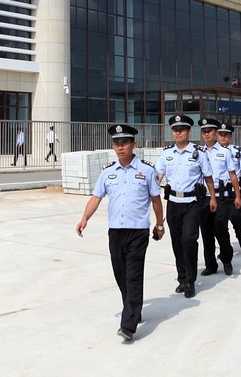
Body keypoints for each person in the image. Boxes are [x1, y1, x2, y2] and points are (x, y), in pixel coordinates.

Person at [76, 124, 164, 342]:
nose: (120, 147)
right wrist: (85, 218)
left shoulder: (147, 170)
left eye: (124, 143)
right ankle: (133, 308)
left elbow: (156, 200)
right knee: (121, 274)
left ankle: (128, 325)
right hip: (115, 232)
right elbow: (96, 197)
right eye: (116, 143)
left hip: (138, 232)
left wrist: (159, 225)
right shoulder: (108, 172)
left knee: (133, 275)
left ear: (134, 144)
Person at [155, 114, 217, 299]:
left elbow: (208, 177)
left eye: (181, 129)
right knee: (177, 241)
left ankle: (190, 280)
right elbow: (158, 175)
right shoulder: (166, 154)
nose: (178, 133)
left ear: (189, 131)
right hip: (173, 203)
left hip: (192, 204)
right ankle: (182, 278)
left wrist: (213, 198)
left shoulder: (198, 153)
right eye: (175, 130)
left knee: (189, 240)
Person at [197, 117, 241, 277]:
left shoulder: (225, 152)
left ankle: (226, 259)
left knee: (220, 229)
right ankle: (210, 265)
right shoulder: (198, 153)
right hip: (204, 198)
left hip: (221, 197)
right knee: (206, 233)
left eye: (209, 131)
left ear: (215, 133)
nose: (206, 134)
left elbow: (233, 175)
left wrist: (237, 196)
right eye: (204, 131)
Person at [217, 121, 241, 251]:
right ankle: (225, 248)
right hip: (219, 192)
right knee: (220, 223)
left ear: (230, 136)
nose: (223, 137)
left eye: (226, 135)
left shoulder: (237, 151)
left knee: (237, 218)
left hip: (233, 191)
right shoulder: (211, 151)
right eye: (221, 134)